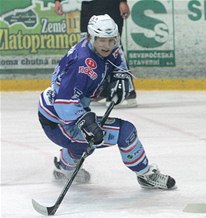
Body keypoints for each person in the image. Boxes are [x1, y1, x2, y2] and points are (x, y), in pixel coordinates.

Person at [38, 14, 175, 190]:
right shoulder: (82, 63)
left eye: (111, 40)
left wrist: (121, 77)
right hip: (58, 121)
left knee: (89, 140)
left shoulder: (107, 48)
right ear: (91, 37)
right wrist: (86, 121)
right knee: (123, 131)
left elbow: (118, 61)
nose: (107, 45)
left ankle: (64, 167)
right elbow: (64, 102)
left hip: (57, 113)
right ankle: (146, 175)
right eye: (102, 40)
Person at [54, 0, 137, 108]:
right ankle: (101, 90)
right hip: (88, 6)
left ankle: (127, 90)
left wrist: (122, 1)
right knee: (90, 47)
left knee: (112, 47)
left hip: (110, 5)